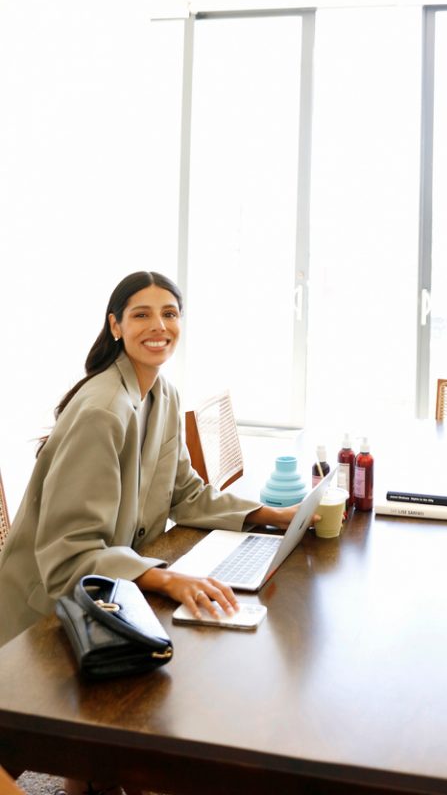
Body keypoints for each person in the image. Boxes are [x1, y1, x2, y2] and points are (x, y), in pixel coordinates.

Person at [0, 269, 301, 650]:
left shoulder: (164, 394)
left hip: (111, 593)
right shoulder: (102, 412)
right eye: (141, 315)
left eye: (170, 314)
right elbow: (68, 556)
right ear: (116, 326)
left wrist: (274, 516)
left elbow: (185, 493)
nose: (158, 326)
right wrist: (168, 579)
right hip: (41, 623)